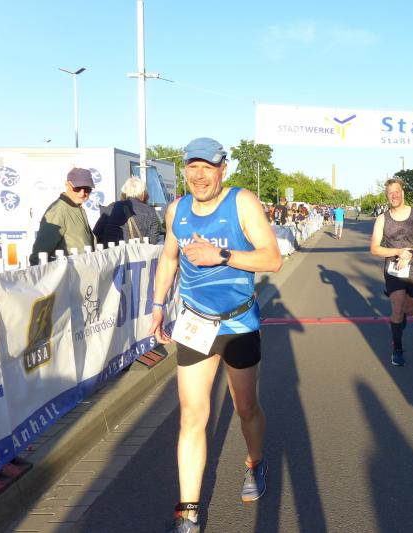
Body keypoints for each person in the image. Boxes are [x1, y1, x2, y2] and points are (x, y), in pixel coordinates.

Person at [147, 137, 282, 533]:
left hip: (238, 324)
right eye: (193, 167)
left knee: (245, 408)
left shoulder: (242, 203)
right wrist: (158, 305)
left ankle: (255, 461)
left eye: (208, 167)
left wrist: (221, 255)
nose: (200, 175)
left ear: (223, 168)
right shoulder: (177, 210)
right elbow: (169, 258)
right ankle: (187, 511)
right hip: (195, 324)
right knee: (192, 415)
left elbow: (272, 259)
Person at [370, 177, 413, 366]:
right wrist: (398, 252)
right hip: (394, 269)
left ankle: (402, 315)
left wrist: (410, 253)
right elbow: (374, 248)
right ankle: (397, 349)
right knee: (396, 308)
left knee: (410, 310)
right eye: (390, 193)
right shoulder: (382, 219)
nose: (394, 195)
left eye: (397, 192)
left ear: (403, 193)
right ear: (387, 196)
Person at [29, 168, 96, 265]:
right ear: (67, 185)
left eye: (87, 189)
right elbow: (39, 255)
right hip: (68, 272)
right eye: (77, 188)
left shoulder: (76, 207)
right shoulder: (57, 212)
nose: (82, 193)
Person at [92, 177, 161, 245]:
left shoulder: (111, 207)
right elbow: (153, 240)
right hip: (136, 251)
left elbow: (96, 235)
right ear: (143, 195)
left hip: (112, 251)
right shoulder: (150, 211)